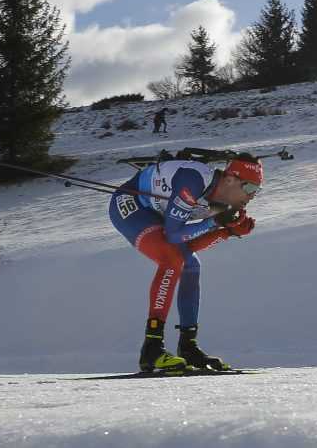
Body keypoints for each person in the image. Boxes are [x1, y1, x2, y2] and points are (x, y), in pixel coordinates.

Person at [109, 152, 262, 372]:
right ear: (230, 179)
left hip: (159, 214)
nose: (252, 196)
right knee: (171, 259)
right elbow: (173, 235)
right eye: (249, 188)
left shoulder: (226, 201)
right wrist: (215, 223)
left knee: (191, 265)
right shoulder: (193, 180)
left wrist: (226, 232)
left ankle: (188, 346)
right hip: (133, 205)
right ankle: (152, 348)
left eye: (257, 191)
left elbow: (189, 246)